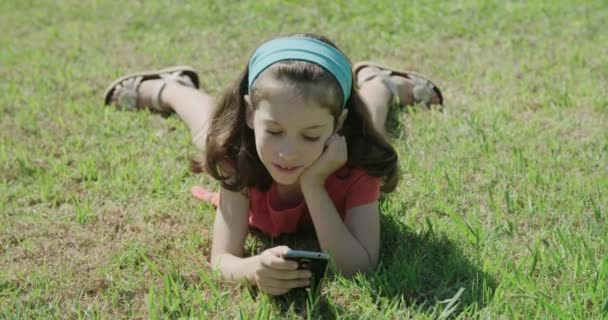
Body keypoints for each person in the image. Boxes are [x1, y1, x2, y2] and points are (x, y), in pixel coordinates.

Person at [103, 33, 443, 296]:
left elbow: (358, 267)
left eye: (310, 136)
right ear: (251, 113)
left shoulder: (357, 163)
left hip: (347, 141)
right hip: (240, 136)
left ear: (337, 125)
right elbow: (222, 259)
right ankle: (172, 87)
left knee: (373, 121)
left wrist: (314, 184)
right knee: (209, 130)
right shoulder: (238, 157)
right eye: (275, 130)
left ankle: (379, 83)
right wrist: (254, 269)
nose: (288, 152)